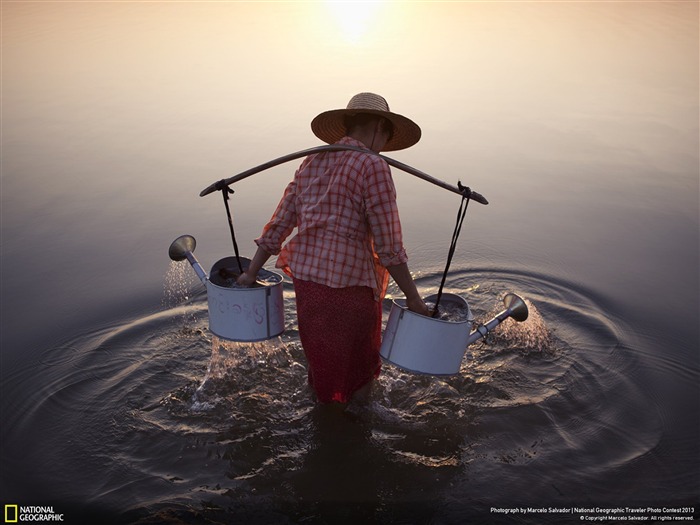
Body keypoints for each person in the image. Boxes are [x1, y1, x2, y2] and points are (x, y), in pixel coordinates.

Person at [237, 92, 430, 406]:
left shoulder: (312, 160)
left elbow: (279, 225)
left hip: (308, 288)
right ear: (380, 126)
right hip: (348, 292)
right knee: (358, 378)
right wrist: (413, 299)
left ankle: (323, 424)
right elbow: (389, 247)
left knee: (322, 368)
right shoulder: (374, 166)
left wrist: (250, 274)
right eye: (386, 136)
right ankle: (350, 435)